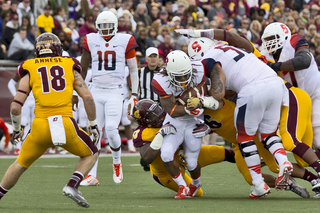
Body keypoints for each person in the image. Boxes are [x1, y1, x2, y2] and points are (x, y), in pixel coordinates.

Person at [177, 28, 320, 198]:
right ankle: (302, 176)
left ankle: (265, 183)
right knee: (281, 148)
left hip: (283, 95)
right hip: (273, 91)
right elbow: (230, 41)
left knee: (288, 141)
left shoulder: (211, 64)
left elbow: (220, 96)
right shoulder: (237, 53)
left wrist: (201, 100)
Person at [0, 33, 99, 208]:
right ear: (58, 48)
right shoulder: (69, 63)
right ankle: (72, 186)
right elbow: (88, 98)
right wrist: (93, 125)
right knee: (91, 153)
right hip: (66, 124)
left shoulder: (30, 66)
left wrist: (16, 129)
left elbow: (15, 107)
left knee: (20, 164)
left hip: (39, 126)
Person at [80, 11, 139, 185]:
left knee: (112, 129)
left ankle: (117, 161)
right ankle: (92, 174)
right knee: (95, 133)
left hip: (115, 90)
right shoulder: (90, 39)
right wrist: (78, 92)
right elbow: (83, 69)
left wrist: (134, 94)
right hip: (96, 89)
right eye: (102, 26)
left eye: (108, 26)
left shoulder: (125, 40)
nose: (105, 29)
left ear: (115, 26)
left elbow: (134, 70)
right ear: (97, 26)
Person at [132, 99, 236, 197]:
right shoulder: (143, 133)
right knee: (198, 194)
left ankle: (247, 161)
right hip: (165, 172)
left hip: (181, 155)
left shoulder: (170, 115)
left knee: (220, 152)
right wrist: (160, 135)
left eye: (158, 110)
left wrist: (207, 128)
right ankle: (182, 185)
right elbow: (147, 158)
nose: (159, 115)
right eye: (152, 116)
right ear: (144, 121)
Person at [151, 50, 207, 199]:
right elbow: (173, 110)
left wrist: (202, 104)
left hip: (194, 121)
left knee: (191, 163)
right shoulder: (160, 81)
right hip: (175, 120)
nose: (183, 80)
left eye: (185, 75)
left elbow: (207, 93)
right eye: (178, 76)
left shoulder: (199, 69)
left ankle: (196, 182)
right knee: (166, 154)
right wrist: (192, 109)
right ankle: (182, 186)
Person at [260, 22, 320, 152]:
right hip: (294, 100)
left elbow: (304, 60)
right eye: (267, 40)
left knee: (318, 139)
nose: (270, 43)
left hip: (314, 93)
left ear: (284, 36)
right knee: (299, 142)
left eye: (273, 38)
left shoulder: (294, 40)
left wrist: (276, 66)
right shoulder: (264, 53)